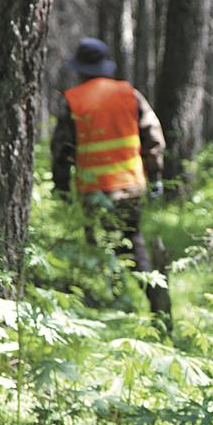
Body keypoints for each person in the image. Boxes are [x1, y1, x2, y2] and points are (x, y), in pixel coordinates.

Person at [52, 37, 166, 298]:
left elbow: (61, 150)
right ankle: (155, 300)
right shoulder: (130, 94)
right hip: (131, 187)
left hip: (93, 191)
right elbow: (154, 139)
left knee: (99, 250)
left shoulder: (73, 101)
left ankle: (112, 302)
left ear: (80, 69)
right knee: (133, 243)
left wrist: (62, 187)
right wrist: (156, 177)